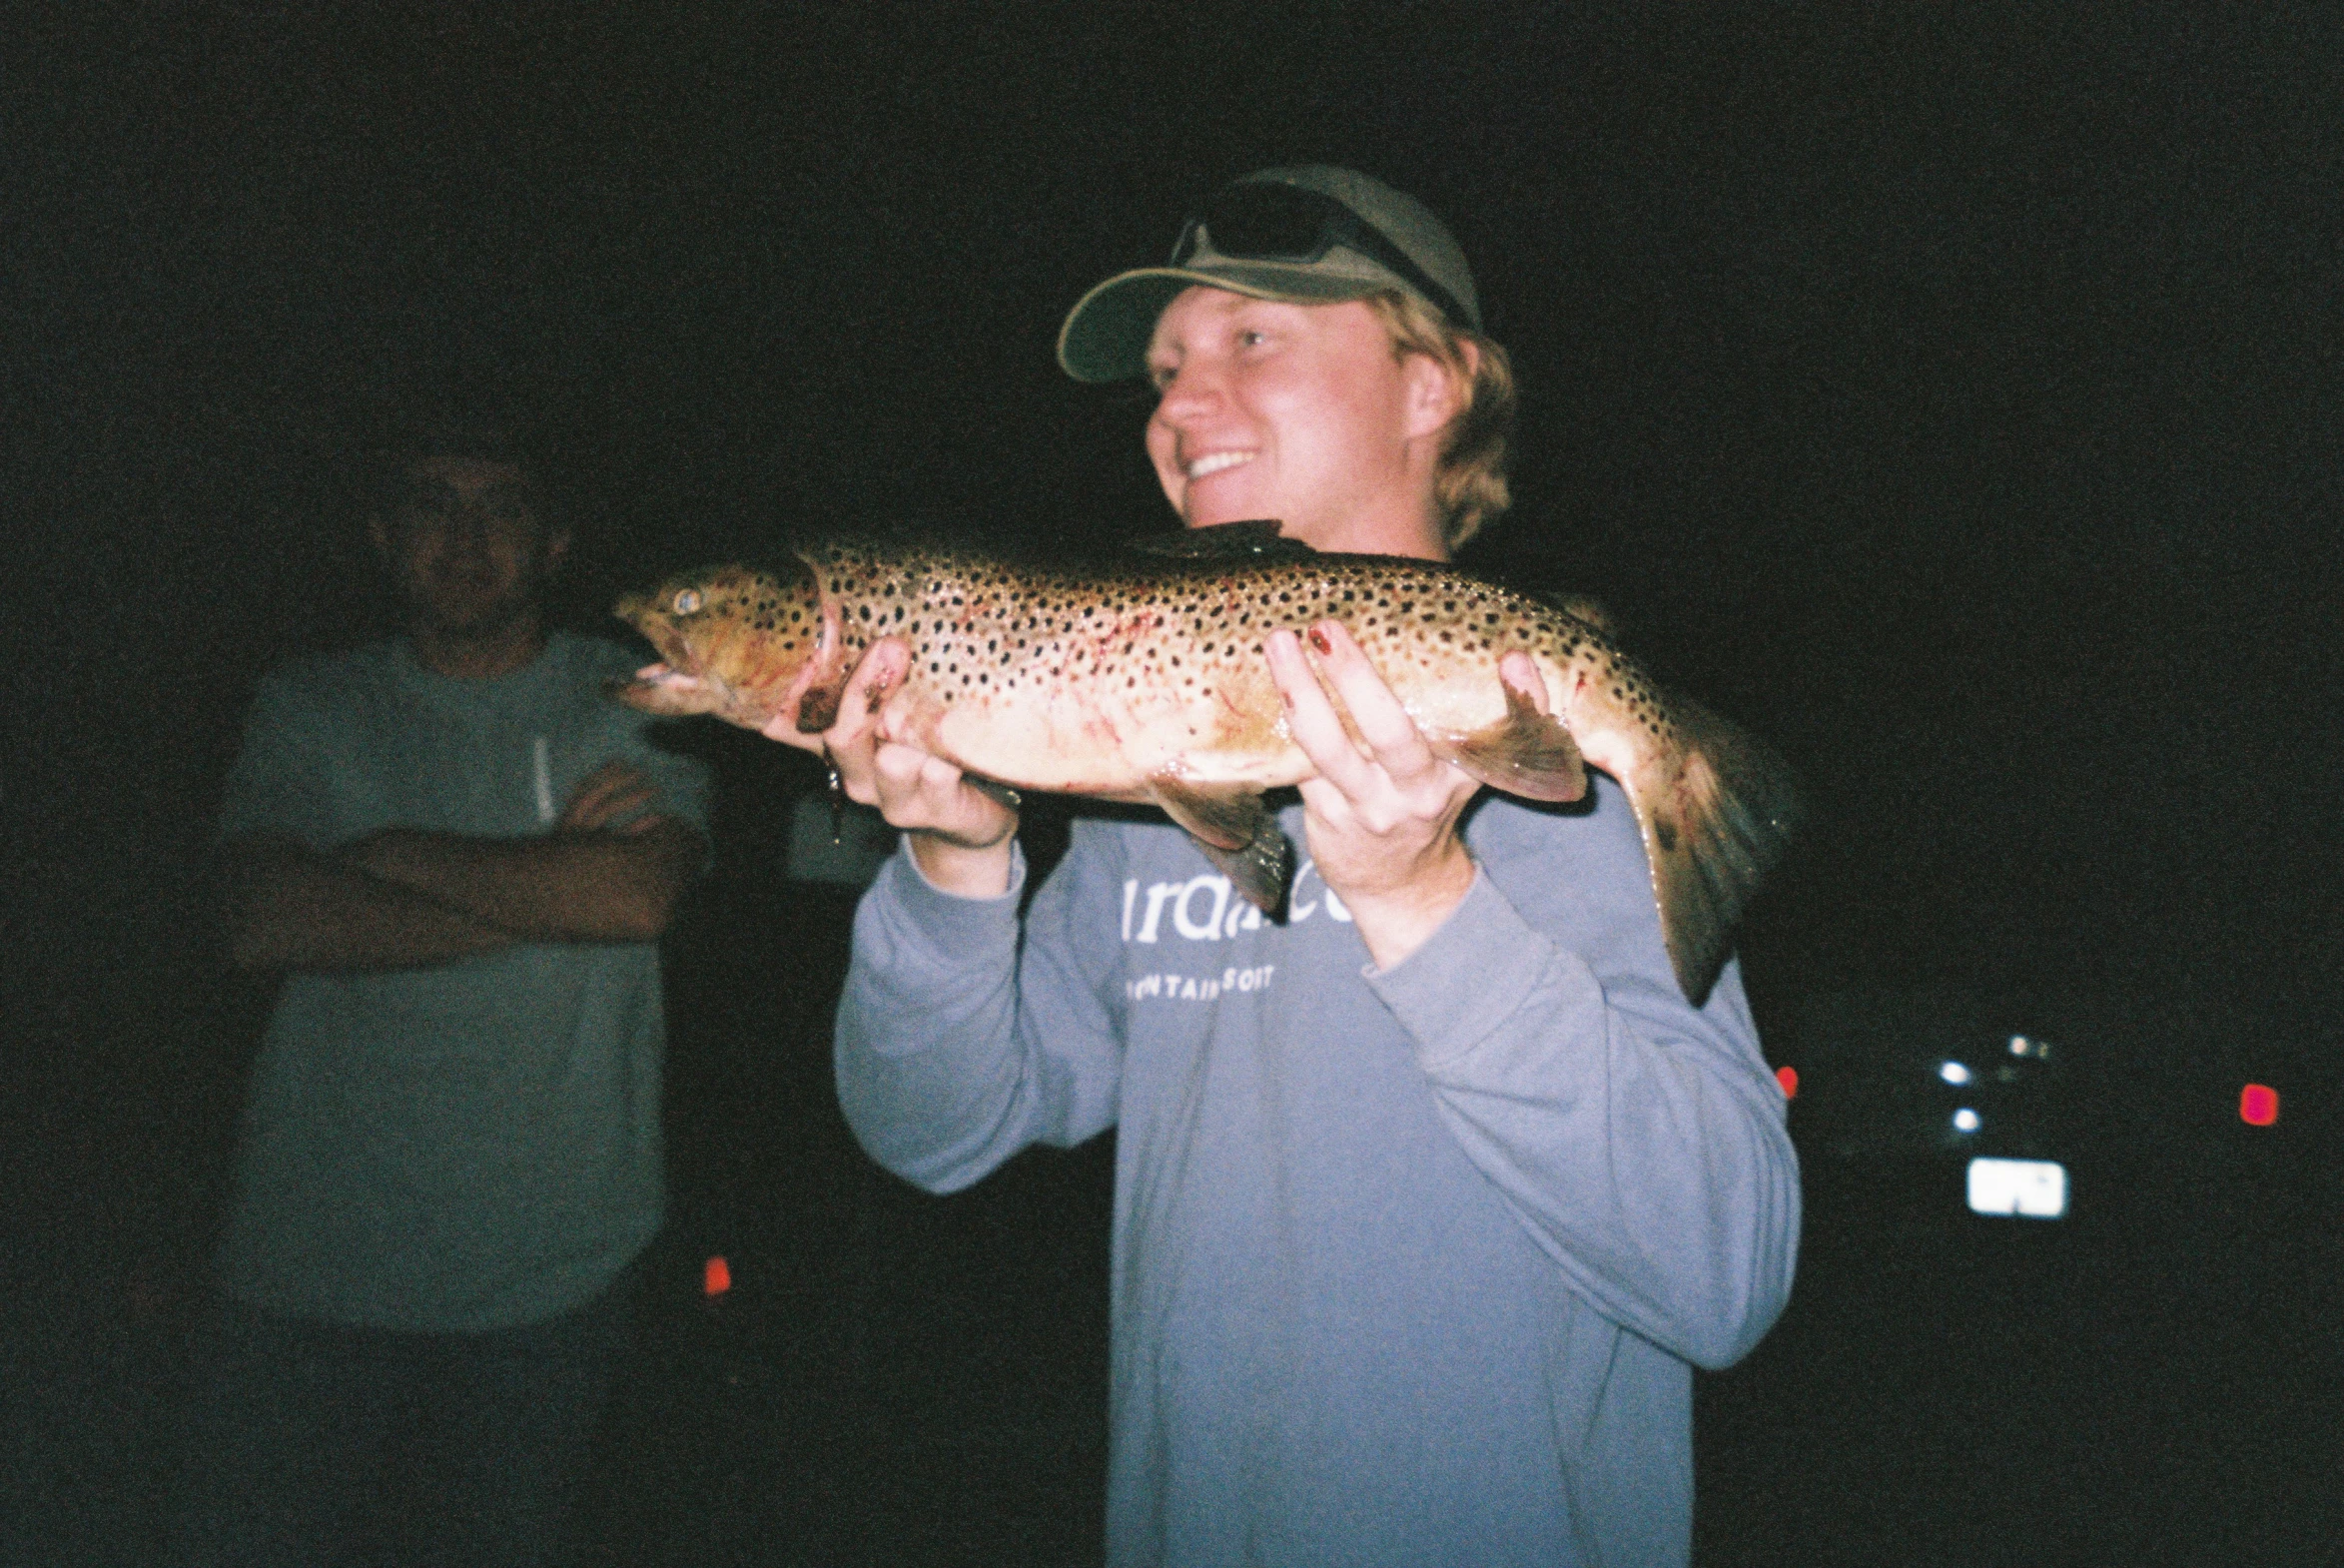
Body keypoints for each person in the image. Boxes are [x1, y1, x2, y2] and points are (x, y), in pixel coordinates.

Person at [794, 167, 1800, 1566]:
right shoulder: (1150, 795)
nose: (1173, 406)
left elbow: (1723, 1273)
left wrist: (1419, 895)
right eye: (1160, 370)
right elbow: (936, 1134)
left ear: (1432, 383)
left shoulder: (1570, 804)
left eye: (1247, 341)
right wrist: (953, 859)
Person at [169, 417, 710, 1567]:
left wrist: (389, 850)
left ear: (556, 543)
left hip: (555, 1277)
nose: (465, 537)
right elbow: (260, 917)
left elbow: (637, 899)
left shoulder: (640, 695)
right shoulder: (309, 701)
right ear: (381, 534)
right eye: (431, 503)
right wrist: (540, 877)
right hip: (305, 1270)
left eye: (503, 506)